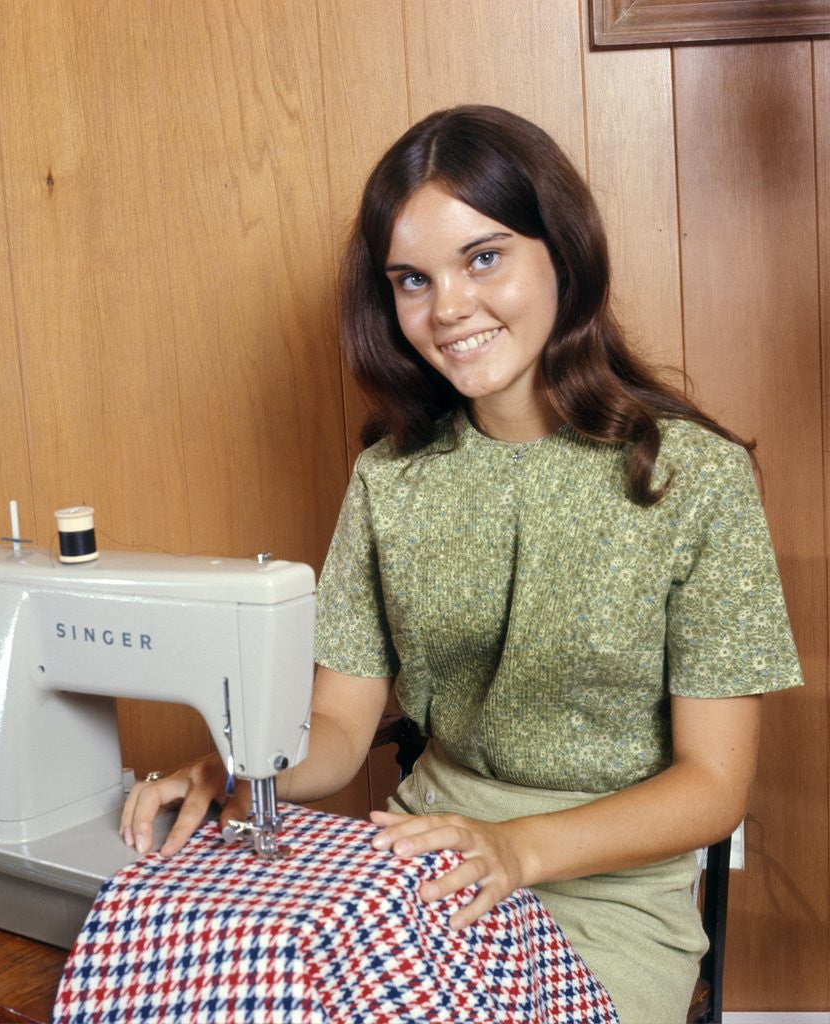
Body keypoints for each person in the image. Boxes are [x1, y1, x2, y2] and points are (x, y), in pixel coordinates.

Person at [121, 105, 803, 1023]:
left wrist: (519, 851)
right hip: (422, 855)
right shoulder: (391, 480)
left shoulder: (695, 480)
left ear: (563, 251)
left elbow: (712, 789)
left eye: (484, 258)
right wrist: (237, 769)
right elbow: (336, 723)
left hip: (609, 893)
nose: (446, 310)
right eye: (412, 279)